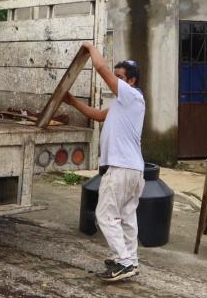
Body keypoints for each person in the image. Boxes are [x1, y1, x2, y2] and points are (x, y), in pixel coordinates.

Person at [63, 42, 146, 282]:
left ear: (131, 81)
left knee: (105, 215)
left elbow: (101, 68)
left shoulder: (131, 96)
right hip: (133, 169)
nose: (115, 80)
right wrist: (72, 102)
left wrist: (90, 47)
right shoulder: (123, 103)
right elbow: (98, 116)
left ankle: (123, 261)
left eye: (120, 77)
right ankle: (130, 260)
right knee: (127, 218)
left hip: (121, 169)